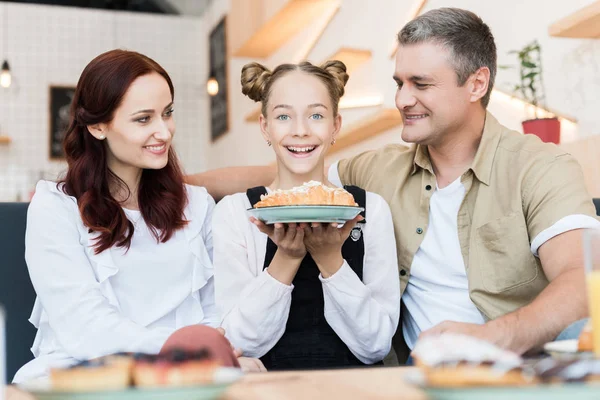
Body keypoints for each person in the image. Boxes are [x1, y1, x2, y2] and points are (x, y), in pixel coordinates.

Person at [187, 7, 600, 364]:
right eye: (399, 83)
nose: (402, 99)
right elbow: (286, 175)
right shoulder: (382, 170)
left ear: (476, 84)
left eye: (420, 84)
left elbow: (581, 282)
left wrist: (492, 339)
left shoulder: (540, 167)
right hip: (420, 374)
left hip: (522, 367)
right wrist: (176, 182)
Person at [12, 49, 260, 383]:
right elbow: (84, 327)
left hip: (186, 379)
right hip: (85, 374)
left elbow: (217, 309)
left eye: (168, 113)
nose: (164, 131)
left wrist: (210, 358)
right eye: (144, 119)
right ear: (99, 126)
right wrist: (191, 354)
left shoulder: (197, 205)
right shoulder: (55, 207)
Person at [212, 60, 400, 370]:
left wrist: (330, 259)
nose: (300, 131)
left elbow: (376, 344)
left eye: (316, 115)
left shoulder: (370, 209)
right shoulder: (235, 213)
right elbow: (237, 343)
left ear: (335, 126)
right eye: (284, 116)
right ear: (265, 127)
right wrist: (286, 258)